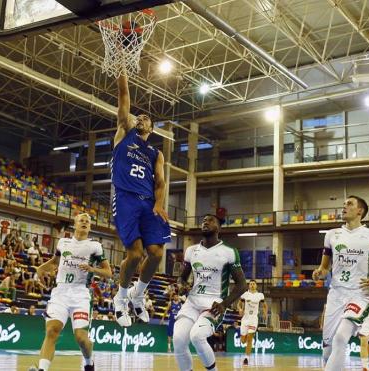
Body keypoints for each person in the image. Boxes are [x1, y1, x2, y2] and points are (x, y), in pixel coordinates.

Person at [312, 195, 369, 371]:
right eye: (343, 204)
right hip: (336, 294)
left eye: (349, 204)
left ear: (360, 211)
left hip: (360, 295)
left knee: (340, 338)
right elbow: (324, 268)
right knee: (327, 350)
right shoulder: (331, 235)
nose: (344, 206)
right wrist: (319, 273)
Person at [112, 73, 171, 327]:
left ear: (152, 128)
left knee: (157, 253)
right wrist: (122, 71)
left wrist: (158, 204)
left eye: (147, 119)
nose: (142, 118)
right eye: (140, 116)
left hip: (148, 202)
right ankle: (120, 298)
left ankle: (138, 295)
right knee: (135, 254)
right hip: (125, 198)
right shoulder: (124, 133)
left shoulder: (156, 153)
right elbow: (124, 98)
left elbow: (161, 182)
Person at [31, 213, 112, 371]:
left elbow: (108, 272)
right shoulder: (63, 242)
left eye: (87, 221)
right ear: (75, 224)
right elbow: (55, 262)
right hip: (60, 292)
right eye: (81, 220)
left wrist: (92, 269)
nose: (84, 222)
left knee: (81, 339)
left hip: (80, 294)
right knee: (51, 331)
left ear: (90, 227)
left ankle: (89, 362)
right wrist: (41, 269)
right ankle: (42, 369)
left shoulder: (95, 246)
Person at [173, 214, 247, 371]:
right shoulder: (191, 251)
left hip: (213, 305)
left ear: (218, 227)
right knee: (178, 340)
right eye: (203, 220)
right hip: (192, 302)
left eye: (210, 220)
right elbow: (182, 277)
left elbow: (242, 285)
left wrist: (224, 304)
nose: (205, 222)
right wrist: (181, 284)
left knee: (197, 336)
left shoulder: (229, 252)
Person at [238, 279, 268, 365]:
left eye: (253, 284)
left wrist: (265, 313)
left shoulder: (260, 295)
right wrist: (240, 309)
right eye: (250, 284)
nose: (252, 285)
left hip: (254, 319)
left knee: (250, 338)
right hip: (245, 319)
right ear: (249, 286)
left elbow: (265, 305)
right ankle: (244, 336)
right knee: (243, 341)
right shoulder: (245, 294)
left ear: (256, 285)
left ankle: (246, 358)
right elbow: (238, 304)